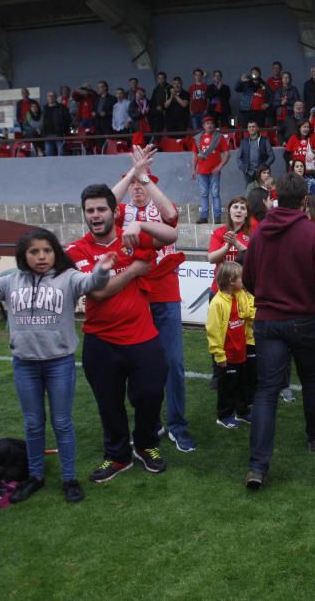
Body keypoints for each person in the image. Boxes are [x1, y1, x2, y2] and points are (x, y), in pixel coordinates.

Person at [0, 229, 114, 504]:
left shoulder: (67, 278)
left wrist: (103, 269)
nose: (41, 256)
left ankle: (69, 478)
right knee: (33, 424)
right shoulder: (11, 281)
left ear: (56, 252)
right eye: (34, 252)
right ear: (23, 255)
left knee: (62, 423)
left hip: (59, 363)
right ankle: (35, 476)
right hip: (25, 365)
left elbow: (91, 281)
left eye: (47, 250)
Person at [66, 183, 177, 482]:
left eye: (102, 208)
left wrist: (140, 222)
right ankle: (117, 456)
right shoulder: (77, 249)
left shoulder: (132, 237)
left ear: (115, 211)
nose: (96, 215)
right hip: (101, 341)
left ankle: (146, 445)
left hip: (143, 337)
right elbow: (97, 292)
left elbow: (172, 234)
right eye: (90, 210)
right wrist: (134, 271)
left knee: (151, 394)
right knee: (109, 402)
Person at [242, 173, 315, 489]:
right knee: (311, 379)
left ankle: (257, 466)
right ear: (303, 201)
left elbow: (247, 280)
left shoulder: (258, 234)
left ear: (275, 198)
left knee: (267, 390)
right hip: (304, 318)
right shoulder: (313, 233)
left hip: (269, 319)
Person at [112, 148, 197, 454]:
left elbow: (173, 218)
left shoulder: (158, 205)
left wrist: (144, 177)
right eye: (131, 183)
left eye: (141, 183)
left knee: (173, 362)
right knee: (139, 366)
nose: (135, 187)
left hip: (164, 293)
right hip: (133, 294)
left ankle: (177, 425)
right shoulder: (120, 212)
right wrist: (132, 173)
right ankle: (150, 424)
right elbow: (107, 203)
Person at [207, 261, 256, 430]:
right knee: (226, 387)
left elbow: (247, 313)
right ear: (230, 280)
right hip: (227, 354)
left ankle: (241, 412)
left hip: (240, 350)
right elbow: (213, 331)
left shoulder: (238, 295)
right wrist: (219, 355)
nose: (243, 280)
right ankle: (224, 415)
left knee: (242, 384)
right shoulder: (217, 302)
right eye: (240, 278)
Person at [191, 116, 230, 224]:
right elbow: (195, 155)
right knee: (204, 194)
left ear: (214, 125)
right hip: (201, 171)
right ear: (203, 126)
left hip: (214, 171)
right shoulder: (198, 138)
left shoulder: (219, 137)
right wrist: (193, 170)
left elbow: (227, 154)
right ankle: (204, 217)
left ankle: (217, 218)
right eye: (207, 123)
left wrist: (219, 167)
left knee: (215, 194)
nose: (209, 125)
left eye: (211, 123)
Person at [208, 197, 251, 294]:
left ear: (246, 214)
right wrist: (227, 247)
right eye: (235, 207)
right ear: (229, 211)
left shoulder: (252, 234)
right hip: (219, 290)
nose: (239, 210)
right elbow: (211, 259)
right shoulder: (219, 232)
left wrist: (236, 243)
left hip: (244, 291)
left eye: (243, 208)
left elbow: (254, 259)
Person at [237, 120, 275, 186]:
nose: (251, 128)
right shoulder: (244, 142)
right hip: (248, 172)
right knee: (250, 192)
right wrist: (243, 168)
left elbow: (272, 156)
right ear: (247, 129)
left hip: (261, 172)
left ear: (257, 128)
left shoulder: (265, 140)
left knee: (263, 190)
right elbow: (238, 158)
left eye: (253, 127)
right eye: (250, 127)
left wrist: (264, 167)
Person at [41, 90, 72, 157]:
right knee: (49, 155)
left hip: (59, 134)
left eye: (52, 96)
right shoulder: (44, 108)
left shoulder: (62, 107)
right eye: (49, 96)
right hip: (47, 135)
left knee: (61, 154)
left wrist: (63, 129)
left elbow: (69, 120)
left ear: (56, 97)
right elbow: (41, 121)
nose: (51, 97)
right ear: (47, 97)